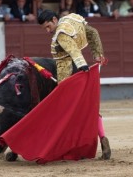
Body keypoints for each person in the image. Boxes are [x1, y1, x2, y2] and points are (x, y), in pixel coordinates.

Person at [37, 9, 111, 160]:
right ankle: (103, 137)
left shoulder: (61, 33)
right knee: (88, 107)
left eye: (48, 26)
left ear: (54, 19)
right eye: (44, 28)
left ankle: (61, 147)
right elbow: (93, 32)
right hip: (79, 70)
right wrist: (98, 54)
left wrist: (82, 65)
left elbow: (73, 50)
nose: (47, 30)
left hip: (69, 73)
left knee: (63, 110)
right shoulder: (72, 19)